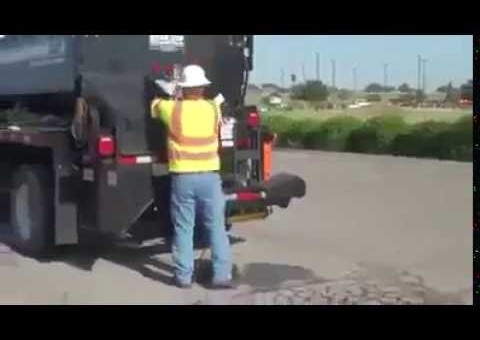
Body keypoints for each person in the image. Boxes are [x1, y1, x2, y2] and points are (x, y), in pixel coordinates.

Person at [151, 65, 233, 289]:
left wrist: (170, 92)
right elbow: (217, 105)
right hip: (209, 176)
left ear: (183, 88)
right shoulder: (212, 109)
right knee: (216, 227)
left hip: (183, 178)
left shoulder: (172, 109)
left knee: (184, 228)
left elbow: (154, 106)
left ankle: (184, 277)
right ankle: (221, 276)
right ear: (203, 88)